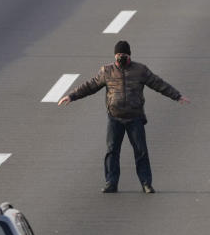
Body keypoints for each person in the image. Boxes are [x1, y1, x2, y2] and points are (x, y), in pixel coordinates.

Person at [58, 40, 190, 193]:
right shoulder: (107, 71)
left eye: (124, 55)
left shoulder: (140, 70)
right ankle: (111, 183)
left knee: (141, 151)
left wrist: (177, 96)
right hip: (115, 118)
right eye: (118, 54)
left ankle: (146, 183)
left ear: (129, 55)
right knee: (112, 151)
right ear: (115, 55)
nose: (121, 57)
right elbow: (90, 86)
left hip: (135, 118)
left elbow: (158, 83)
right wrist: (71, 96)